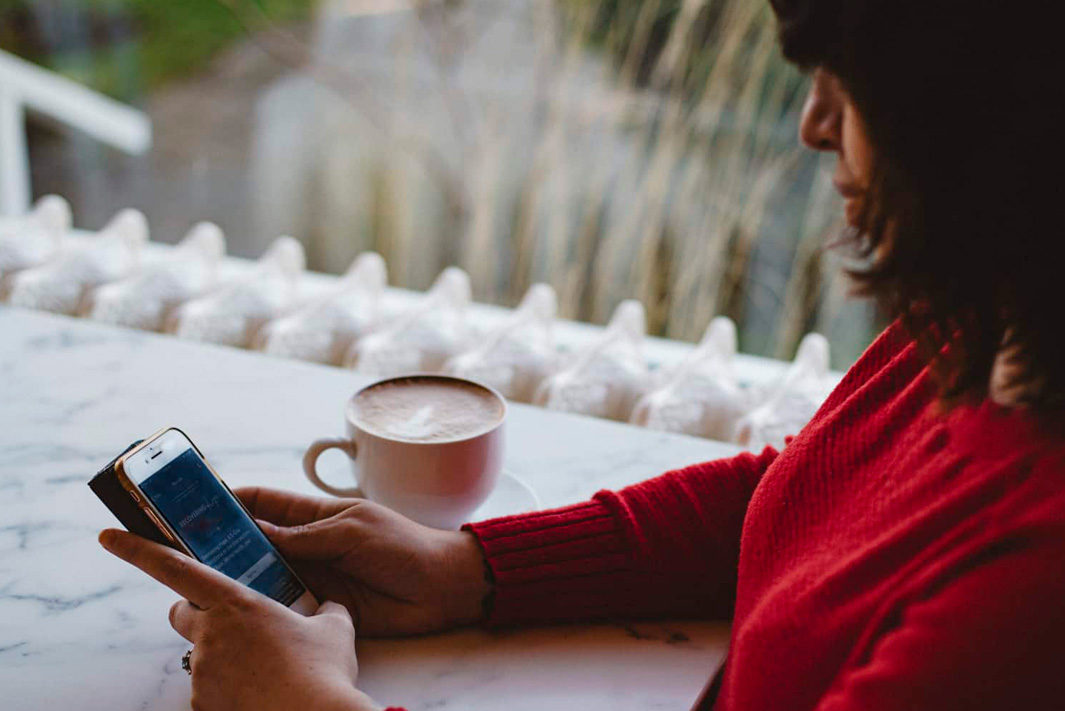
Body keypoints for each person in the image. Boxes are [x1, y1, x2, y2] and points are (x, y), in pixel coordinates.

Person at [99, 0, 1065, 709]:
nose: (813, 126)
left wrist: (308, 708)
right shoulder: (981, 320)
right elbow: (825, 495)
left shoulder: (1029, 595)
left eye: (846, 90)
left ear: (975, 129)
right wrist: (471, 569)